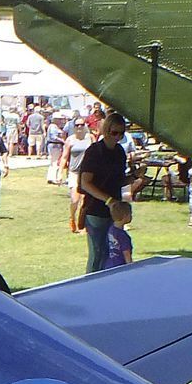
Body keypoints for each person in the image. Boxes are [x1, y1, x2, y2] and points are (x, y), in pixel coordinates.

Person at [75, 111, 129, 273]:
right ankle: (89, 287)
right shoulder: (95, 151)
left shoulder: (119, 152)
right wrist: (109, 200)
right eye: (114, 132)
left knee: (112, 253)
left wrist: (135, 178)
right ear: (106, 130)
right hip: (96, 210)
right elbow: (85, 183)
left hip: (115, 213)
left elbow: (118, 181)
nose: (118, 137)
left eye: (121, 133)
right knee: (98, 253)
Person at [105, 199, 134, 269]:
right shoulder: (123, 236)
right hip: (120, 266)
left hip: (109, 265)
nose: (131, 216)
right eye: (130, 214)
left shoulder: (110, 229)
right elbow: (126, 255)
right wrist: (131, 268)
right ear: (125, 216)